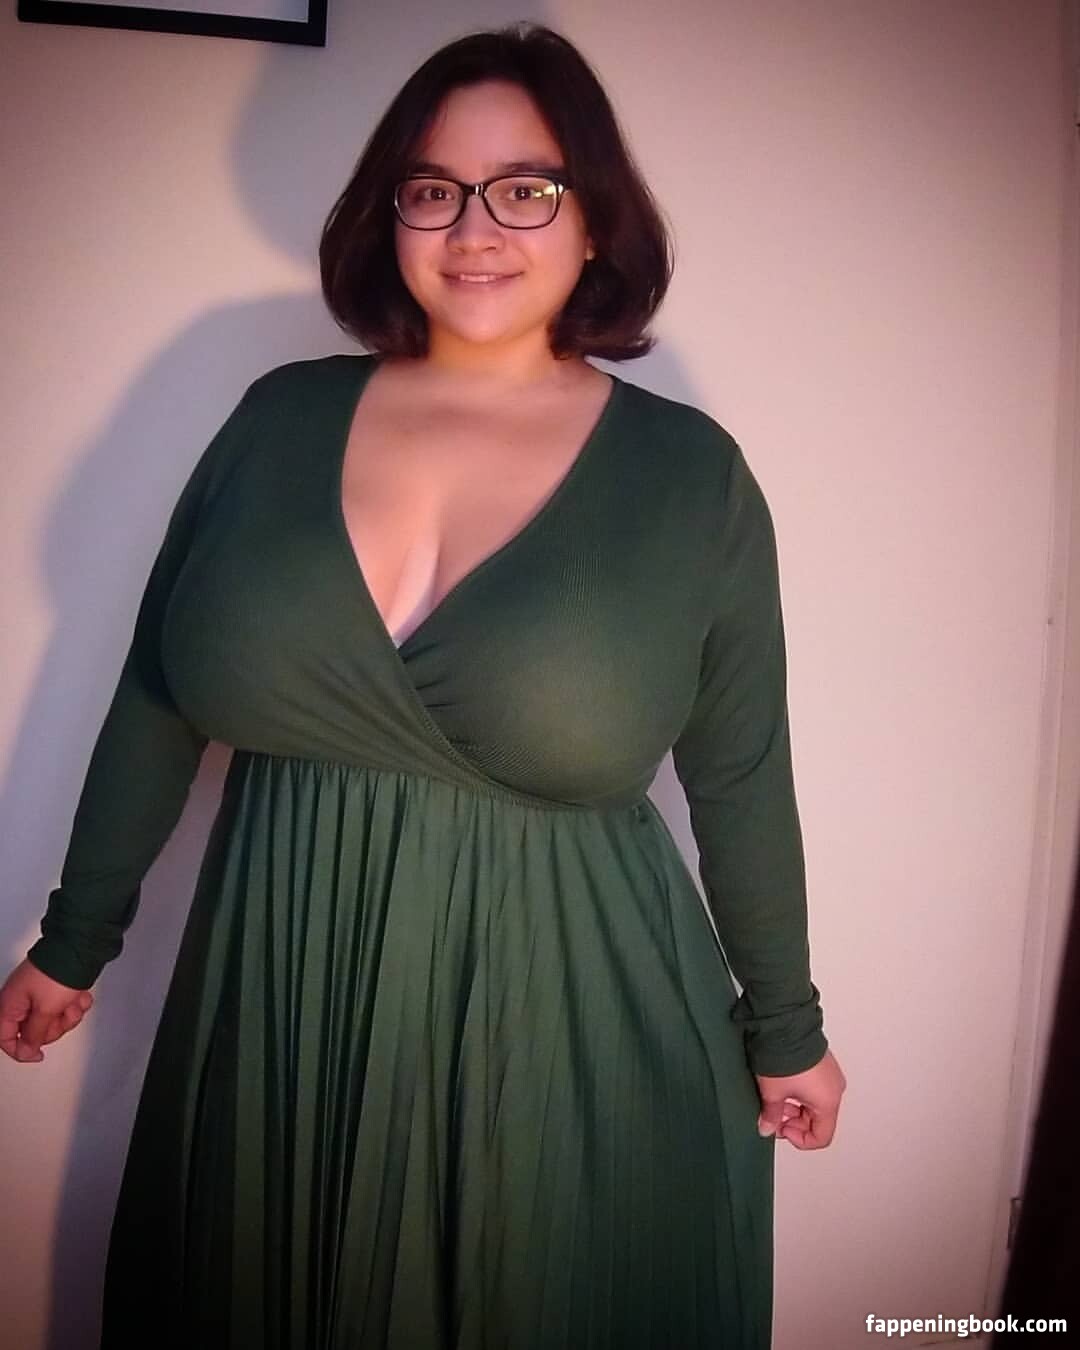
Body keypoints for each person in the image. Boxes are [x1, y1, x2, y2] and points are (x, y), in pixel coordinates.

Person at [1, 20, 846, 1350]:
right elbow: (157, 692)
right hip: (279, 1002)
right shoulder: (276, 417)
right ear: (389, 212)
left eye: (527, 188)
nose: (474, 229)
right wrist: (75, 935)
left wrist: (786, 1024)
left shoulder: (689, 476)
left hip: (560, 1029)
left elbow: (740, 772)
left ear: (594, 219)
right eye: (434, 188)